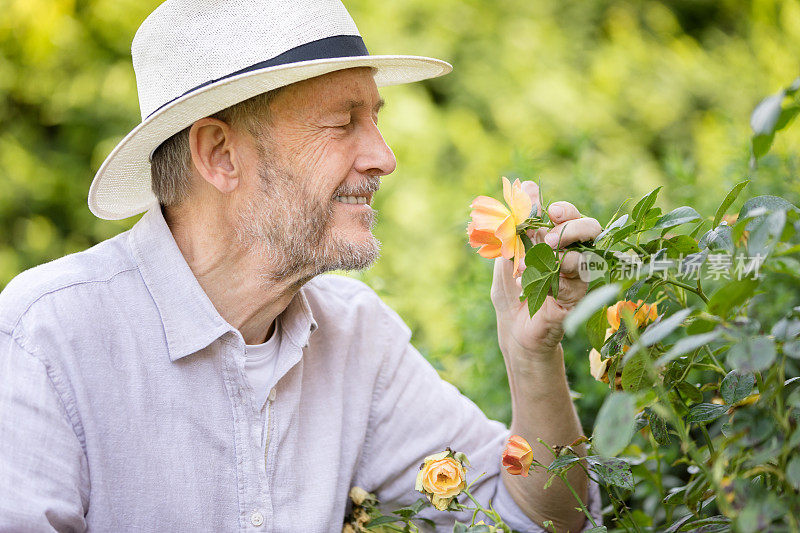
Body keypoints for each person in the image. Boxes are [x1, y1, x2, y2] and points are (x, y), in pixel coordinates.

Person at [0, 1, 604, 531]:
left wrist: (531, 355)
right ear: (220, 154)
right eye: (342, 124)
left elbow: (533, 519)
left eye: (377, 119)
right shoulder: (47, 340)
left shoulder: (356, 337)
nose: (384, 158)